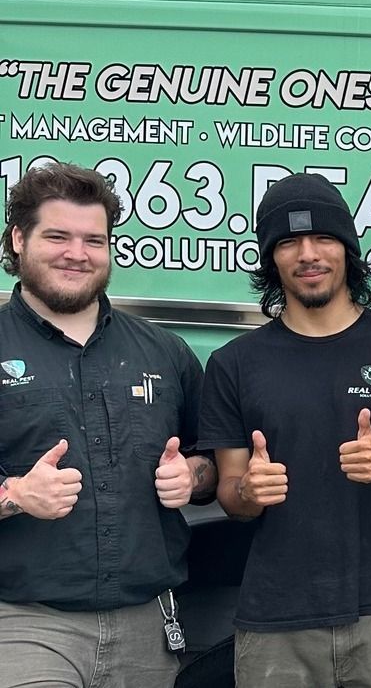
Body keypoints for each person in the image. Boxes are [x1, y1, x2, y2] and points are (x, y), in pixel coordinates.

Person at [199, 173, 371, 687]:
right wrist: (247, 490)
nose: (308, 254)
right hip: (274, 620)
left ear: (348, 249)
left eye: (324, 238)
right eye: (288, 242)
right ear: (271, 258)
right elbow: (230, 496)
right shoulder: (234, 364)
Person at [0, 162, 213, 688]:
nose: (77, 253)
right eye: (58, 236)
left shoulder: (166, 352)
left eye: (94, 239)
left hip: (151, 625)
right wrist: (14, 495)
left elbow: (213, 463)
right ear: (18, 239)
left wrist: (194, 475)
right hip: (25, 623)